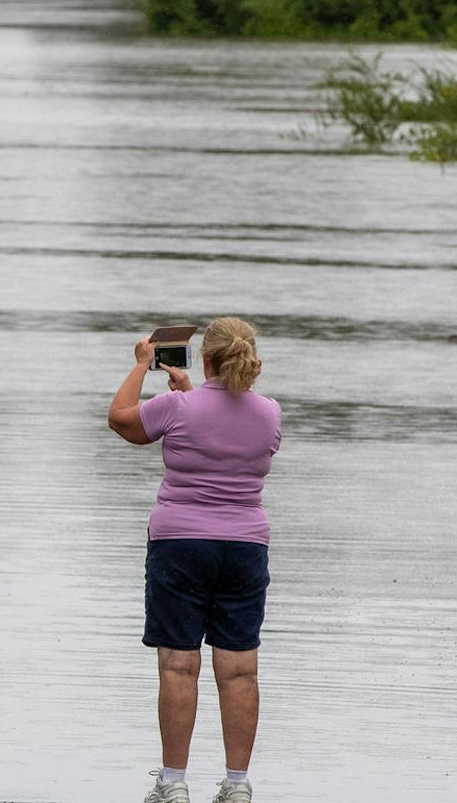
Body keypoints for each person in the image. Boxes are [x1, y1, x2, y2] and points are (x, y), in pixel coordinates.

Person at [106, 318, 280, 803]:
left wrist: (142, 366)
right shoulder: (270, 413)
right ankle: (238, 785)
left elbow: (121, 418)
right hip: (245, 548)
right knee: (241, 670)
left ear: (204, 360)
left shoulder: (176, 408)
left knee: (179, 666)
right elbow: (226, 424)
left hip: (180, 545)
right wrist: (192, 392)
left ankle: (173, 782)